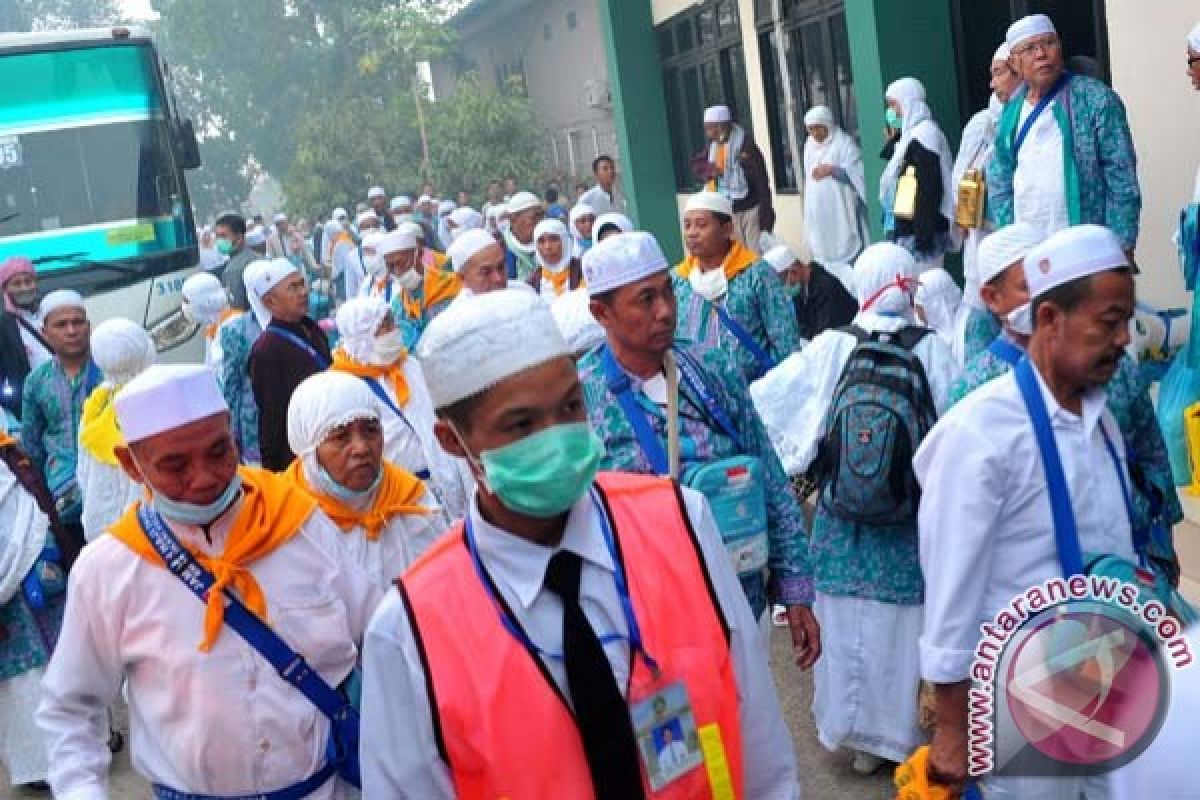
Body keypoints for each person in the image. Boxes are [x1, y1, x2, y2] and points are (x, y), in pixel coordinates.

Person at [360, 288, 803, 798]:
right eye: (522, 424)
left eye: (571, 405)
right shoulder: (411, 631)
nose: (560, 437)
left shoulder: (681, 523)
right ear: (453, 441)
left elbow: (758, 729)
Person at [37, 364, 382, 799]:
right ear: (131, 464)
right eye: (175, 465)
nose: (203, 478)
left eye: (218, 451)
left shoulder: (300, 524)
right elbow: (72, 708)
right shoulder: (109, 569)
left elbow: (380, 638)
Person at [913, 224, 1141, 799]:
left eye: (1126, 324)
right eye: (1109, 324)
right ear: (1048, 320)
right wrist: (951, 730)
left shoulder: (1103, 420)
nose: (1124, 340)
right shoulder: (980, 433)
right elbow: (951, 595)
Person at [759, 242, 957, 775]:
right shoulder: (932, 347)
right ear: (906, 280)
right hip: (906, 522)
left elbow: (775, 409)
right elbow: (955, 432)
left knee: (844, 619)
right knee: (901, 624)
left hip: (842, 521)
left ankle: (856, 737)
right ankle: (902, 737)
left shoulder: (832, 345)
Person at [577, 232, 820, 654]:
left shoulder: (710, 368)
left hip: (743, 600)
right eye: (645, 299)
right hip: (653, 620)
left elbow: (768, 471)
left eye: (668, 292)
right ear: (602, 312)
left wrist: (795, 587)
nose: (666, 311)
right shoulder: (582, 398)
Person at [950, 225, 1183, 576]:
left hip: (1128, 567)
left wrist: (1163, 538)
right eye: (1026, 286)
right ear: (992, 298)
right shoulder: (975, 390)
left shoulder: (1113, 365)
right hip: (1039, 591)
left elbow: (1151, 451)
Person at [988, 14, 1141, 252]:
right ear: (1015, 64)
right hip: (1030, 253)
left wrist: (1120, 245)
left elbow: (1122, 178)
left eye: (1049, 43)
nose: (1041, 54)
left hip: (1087, 249)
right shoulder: (1011, 114)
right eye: (1029, 49)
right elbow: (999, 181)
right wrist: (1010, 232)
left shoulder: (1095, 99)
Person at [284, 370, 444, 587]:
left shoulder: (411, 501)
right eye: (340, 436)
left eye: (371, 430)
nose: (361, 448)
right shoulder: (289, 524)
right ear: (308, 449)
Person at [331, 296, 473, 520]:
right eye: (383, 326)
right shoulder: (346, 386)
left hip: (441, 479)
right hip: (397, 496)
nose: (393, 330)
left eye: (392, 323)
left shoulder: (409, 365)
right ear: (362, 335)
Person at [0, 416, 76, 789]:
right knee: (22, 678)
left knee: (61, 655)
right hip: (19, 561)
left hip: (33, 552)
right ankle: (39, 765)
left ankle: (79, 745)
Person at [674, 191, 802, 385]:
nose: (692, 233)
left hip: (755, 393)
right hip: (701, 395)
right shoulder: (678, 281)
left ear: (726, 229)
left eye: (701, 225)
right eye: (687, 225)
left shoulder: (756, 274)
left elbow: (785, 340)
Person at [953, 43, 1023, 348]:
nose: (993, 84)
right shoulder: (983, 124)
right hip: (986, 233)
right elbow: (960, 176)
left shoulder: (1030, 115)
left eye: (998, 73)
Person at [20, 290, 99, 555]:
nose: (72, 330)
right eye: (61, 325)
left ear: (88, 327)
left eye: (78, 323)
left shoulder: (108, 370)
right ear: (45, 333)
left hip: (110, 488)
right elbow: (31, 445)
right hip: (63, 497)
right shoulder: (37, 381)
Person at [247, 258, 332, 471]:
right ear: (270, 302)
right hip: (300, 454)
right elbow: (271, 417)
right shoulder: (266, 349)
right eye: (293, 288)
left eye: (302, 284)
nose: (303, 292)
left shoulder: (311, 328)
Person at [77, 319, 155, 543]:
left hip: (103, 526)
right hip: (150, 524)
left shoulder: (98, 402)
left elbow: (83, 471)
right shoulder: (154, 396)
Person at [880, 77, 956, 272]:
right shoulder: (912, 135)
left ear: (908, 102)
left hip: (922, 234)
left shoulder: (925, 135)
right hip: (913, 229)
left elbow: (929, 188)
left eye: (894, 105)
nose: (892, 112)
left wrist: (923, 236)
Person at [369, 228, 461, 348]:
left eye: (401, 263)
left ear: (419, 255)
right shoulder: (399, 305)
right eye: (391, 267)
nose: (397, 271)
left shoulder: (451, 285)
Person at [699, 104, 775, 249]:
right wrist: (710, 172)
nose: (708, 133)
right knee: (737, 254)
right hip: (729, 208)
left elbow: (761, 182)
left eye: (710, 128)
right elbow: (698, 166)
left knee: (754, 252)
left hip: (750, 208)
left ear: (722, 126)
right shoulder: (714, 147)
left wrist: (766, 214)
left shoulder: (745, 146)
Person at [803, 105, 868, 271]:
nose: (815, 134)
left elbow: (858, 174)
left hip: (840, 211)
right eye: (810, 129)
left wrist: (832, 170)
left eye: (818, 128)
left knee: (845, 248)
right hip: (819, 214)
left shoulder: (844, 143)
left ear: (828, 125)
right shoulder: (809, 145)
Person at [218, 260, 269, 467]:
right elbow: (233, 385)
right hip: (255, 424)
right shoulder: (237, 330)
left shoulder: (297, 321)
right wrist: (232, 434)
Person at [764, 243, 857, 342]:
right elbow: (800, 326)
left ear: (794, 271)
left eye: (781, 282)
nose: (781, 288)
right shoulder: (800, 290)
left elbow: (825, 337)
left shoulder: (825, 290)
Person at [0, 256, 50, 421]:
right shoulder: (3, 326)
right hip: (30, 414)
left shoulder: (50, 314)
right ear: (5, 289)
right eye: (16, 283)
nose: (24, 288)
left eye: (28, 281)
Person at [181, 271, 234, 370]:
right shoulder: (213, 325)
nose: (184, 307)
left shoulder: (232, 328)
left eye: (187, 301)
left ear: (205, 302)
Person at [915, 267, 967, 362]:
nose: (916, 311)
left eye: (918, 305)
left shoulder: (971, 325)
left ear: (936, 304)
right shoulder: (927, 331)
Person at [448, 228, 512, 296]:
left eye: (501, 267)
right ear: (462, 279)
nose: (498, 279)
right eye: (486, 273)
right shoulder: (460, 306)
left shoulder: (521, 291)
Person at [530, 218, 583, 299]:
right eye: (541, 241)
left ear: (565, 241)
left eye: (554, 239)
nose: (548, 247)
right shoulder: (532, 283)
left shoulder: (584, 270)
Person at [215, 212, 256, 311]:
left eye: (223, 236)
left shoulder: (232, 270)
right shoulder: (259, 258)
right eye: (217, 236)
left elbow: (236, 308)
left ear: (239, 238)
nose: (219, 241)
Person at [503, 191, 545, 281]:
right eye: (535, 216)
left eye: (542, 215)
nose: (541, 221)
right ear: (513, 218)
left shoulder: (549, 244)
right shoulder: (500, 248)